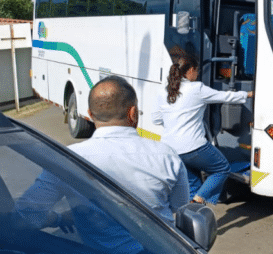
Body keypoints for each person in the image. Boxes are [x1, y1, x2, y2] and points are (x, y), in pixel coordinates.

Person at [16, 76, 189, 253]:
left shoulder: (69, 159)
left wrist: (58, 219)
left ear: (90, 114)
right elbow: (180, 206)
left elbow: (27, 211)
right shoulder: (167, 155)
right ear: (133, 113)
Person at [152, 55, 253, 204]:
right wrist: (249, 94)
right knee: (222, 169)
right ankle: (199, 199)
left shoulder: (164, 91)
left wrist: (175, 122)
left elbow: (156, 119)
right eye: (197, 70)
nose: (197, 74)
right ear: (191, 70)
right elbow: (224, 96)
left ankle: (191, 218)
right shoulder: (196, 88)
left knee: (194, 185)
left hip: (172, 148)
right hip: (193, 146)